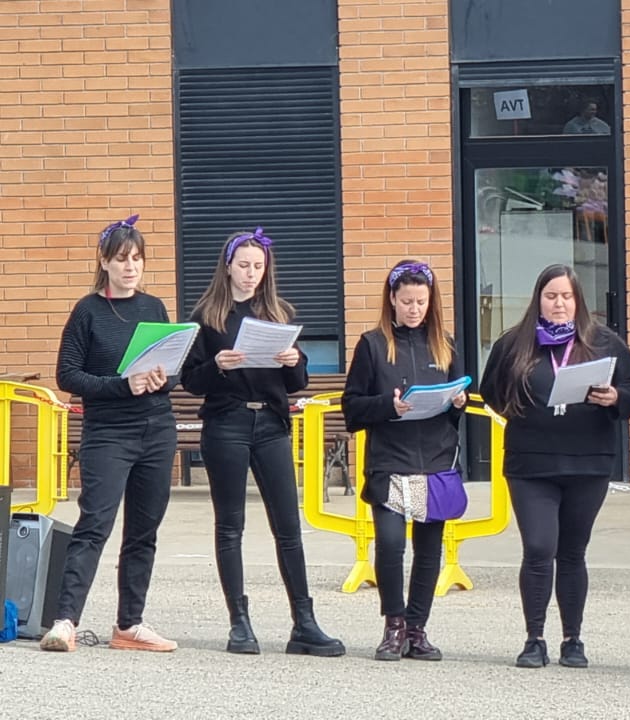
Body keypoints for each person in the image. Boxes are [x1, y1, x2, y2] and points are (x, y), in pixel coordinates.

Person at [179, 228, 344, 657]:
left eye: (258, 266)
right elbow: (191, 380)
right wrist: (217, 365)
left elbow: (296, 382)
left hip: (271, 423)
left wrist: (294, 360)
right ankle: (239, 622)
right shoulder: (207, 316)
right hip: (227, 423)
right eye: (244, 265)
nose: (251, 273)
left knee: (288, 526)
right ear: (228, 267)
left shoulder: (278, 312)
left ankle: (304, 622)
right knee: (230, 525)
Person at [481, 264, 630, 669]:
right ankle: (534, 638)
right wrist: (522, 413)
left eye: (566, 297)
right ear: (538, 299)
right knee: (539, 547)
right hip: (530, 463)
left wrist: (615, 398)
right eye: (551, 296)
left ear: (578, 300)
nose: (559, 304)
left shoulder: (603, 341)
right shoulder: (514, 343)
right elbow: (490, 391)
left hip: (587, 462)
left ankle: (573, 639)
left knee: (572, 551)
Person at [40, 215, 181, 653]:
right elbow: (68, 375)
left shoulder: (154, 307)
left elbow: (173, 368)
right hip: (108, 433)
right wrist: (123, 385)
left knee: (143, 530)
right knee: (94, 524)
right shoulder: (88, 311)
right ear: (104, 262)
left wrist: (162, 378)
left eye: (137, 258)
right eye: (121, 259)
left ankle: (129, 624)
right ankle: (65, 622)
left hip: (157, 429)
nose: (130, 266)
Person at [341, 259, 466, 662]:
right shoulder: (373, 344)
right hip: (389, 461)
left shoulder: (445, 344)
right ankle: (393, 624)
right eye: (407, 301)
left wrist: (458, 403)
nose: (414, 309)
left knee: (429, 551)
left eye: (421, 302)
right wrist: (388, 406)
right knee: (391, 544)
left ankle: (417, 628)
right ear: (392, 299)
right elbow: (351, 408)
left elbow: (457, 404)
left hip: (435, 460)